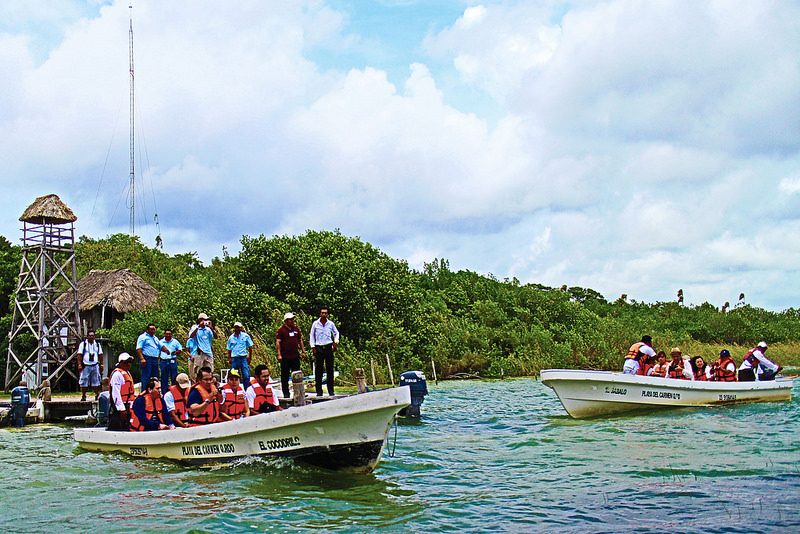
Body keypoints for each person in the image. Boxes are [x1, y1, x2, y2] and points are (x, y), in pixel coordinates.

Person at [309, 307, 339, 396]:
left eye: (325, 313)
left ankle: (331, 390)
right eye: (322, 313)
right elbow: (311, 336)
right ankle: (319, 391)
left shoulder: (330, 324)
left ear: (327, 314)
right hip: (319, 347)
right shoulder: (315, 324)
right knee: (319, 370)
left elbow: (336, 333)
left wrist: (336, 342)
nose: (324, 314)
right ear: (320, 314)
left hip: (328, 346)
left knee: (330, 369)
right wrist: (313, 347)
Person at [276, 312, 306, 398]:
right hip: (285, 356)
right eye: (291, 319)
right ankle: (286, 393)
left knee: (296, 375)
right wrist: (279, 355)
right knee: (284, 376)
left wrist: (303, 352)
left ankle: (298, 393)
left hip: (295, 356)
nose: (292, 321)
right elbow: (278, 343)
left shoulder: (296, 329)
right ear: (286, 321)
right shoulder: (281, 330)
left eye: (293, 319)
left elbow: (300, 340)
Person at [136, 324, 170, 390]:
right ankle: (144, 394)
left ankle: (154, 393)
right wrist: (142, 359)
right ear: (147, 330)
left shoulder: (155, 338)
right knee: (146, 378)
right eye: (151, 329)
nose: (153, 331)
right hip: (147, 359)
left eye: (154, 329)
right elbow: (139, 348)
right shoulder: (143, 337)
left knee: (154, 379)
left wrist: (166, 350)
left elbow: (160, 346)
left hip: (155, 360)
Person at [107, 353, 136, 431]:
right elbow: (115, 393)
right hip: (119, 407)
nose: (128, 364)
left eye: (130, 362)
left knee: (126, 426)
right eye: (126, 362)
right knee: (116, 427)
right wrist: (121, 409)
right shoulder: (117, 374)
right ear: (120, 363)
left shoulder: (127, 373)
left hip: (127, 405)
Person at [189, 313, 218, 378]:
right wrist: (199, 326)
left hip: (208, 353)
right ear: (200, 320)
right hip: (200, 352)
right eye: (204, 320)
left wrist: (211, 328)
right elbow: (191, 336)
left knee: (209, 370)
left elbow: (216, 337)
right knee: (198, 371)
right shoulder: (195, 328)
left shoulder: (208, 329)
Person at [77, 331, 103, 401]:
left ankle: (97, 394)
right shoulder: (83, 344)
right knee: (84, 380)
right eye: (90, 336)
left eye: (93, 336)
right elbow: (79, 354)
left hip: (95, 364)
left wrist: (101, 364)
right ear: (87, 337)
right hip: (86, 365)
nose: (92, 337)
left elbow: (100, 354)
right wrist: (79, 364)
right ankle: (83, 395)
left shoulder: (97, 344)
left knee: (96, 380)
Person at [227, 321, 254, 388]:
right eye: (235, 327)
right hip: (235, 358)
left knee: (246, 375)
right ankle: (235, 389)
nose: (237, 329)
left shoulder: (245, 336)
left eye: (238, 327)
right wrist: (229, 358)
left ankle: (246, 389)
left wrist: (250, 357)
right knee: (234, 375)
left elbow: (250, 346)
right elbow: (229, 348)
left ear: (241, 328)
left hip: (243, 358)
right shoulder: (231, 337)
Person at [159, 329, 183, 393]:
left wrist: (176, 352)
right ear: (164, 334)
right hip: (163, 360)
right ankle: (164, 392)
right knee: (164, 377)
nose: (168, 335)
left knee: (174, 376)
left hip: (172, 360)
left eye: (169, 334)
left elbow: (180, 349)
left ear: (171, 335)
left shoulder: (175, 341)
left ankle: (174, 391)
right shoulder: (161, 342)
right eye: (167, 334)